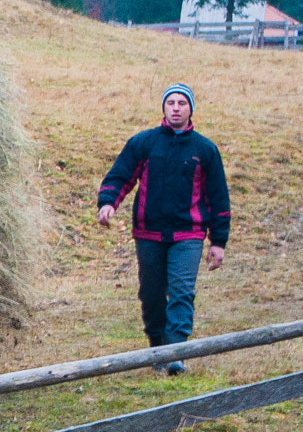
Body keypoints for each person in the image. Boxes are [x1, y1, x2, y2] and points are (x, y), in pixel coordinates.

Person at [96, 83, 230, 375]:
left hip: (188, 235)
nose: (176, 108)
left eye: (182, 103)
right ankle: (157, 348)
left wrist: (218, 242)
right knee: (152, 295)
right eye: (171, 103)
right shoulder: (144, 143)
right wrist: (108, 203)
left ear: (191, 109)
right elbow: (120, 176)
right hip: (149, 233)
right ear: (163, 108)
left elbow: (218, 197)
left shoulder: (205, 150)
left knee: (181, 291)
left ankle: (175, 355)